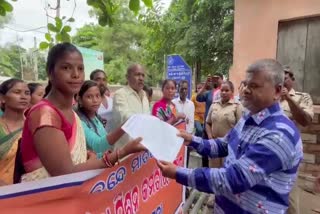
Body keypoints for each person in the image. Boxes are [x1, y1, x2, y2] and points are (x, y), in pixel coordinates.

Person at [157, 59, 302, 213]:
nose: (245, 90)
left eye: (254, 86)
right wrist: (192, 140)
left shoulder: (279, 134)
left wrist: (179, 173)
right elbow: (224, 144)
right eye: (245, 84)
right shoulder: (249, 118)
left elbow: (234, 179)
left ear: (277, 91)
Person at [19, 43, 145, 183]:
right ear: (50, 72)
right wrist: (122, 153)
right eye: (66, 68)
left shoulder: (72, 113)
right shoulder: (45, 114)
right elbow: (65, 175)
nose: (76, 74)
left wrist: (87, 158)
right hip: (47, 199)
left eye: (80, 68)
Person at [280, 65, 314, 214]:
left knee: (290, 197)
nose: (281, 81)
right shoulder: (271, 97)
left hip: (290, 154)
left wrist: (288, 98)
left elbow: (305, 120)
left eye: (285, 78)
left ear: (292, 80)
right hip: (269, 152)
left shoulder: (302, 97)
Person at [76, 80, 125, 158]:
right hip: (91, 168)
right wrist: (125, 127)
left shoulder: (97, 118)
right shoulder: (79, 122)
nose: (95, 100)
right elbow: (97, 146)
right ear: (80, 100)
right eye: (89, 97)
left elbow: (104, 141)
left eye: (97, 96)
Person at [206, 80, 243, 169]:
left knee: (226, 172)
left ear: (232, 92)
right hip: (214, 144)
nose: (224, 92)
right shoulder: (214, 105)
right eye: (222, 90)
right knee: (213, 171)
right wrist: (210, 137)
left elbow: (241, 128)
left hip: (229, 146)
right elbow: (208, 123)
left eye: (227, 90)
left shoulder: (237, 106)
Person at [0, 78, 31, 185]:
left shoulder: (33, 126)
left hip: (26, 191)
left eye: (27, 93)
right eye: (17, 92)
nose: (23, 97)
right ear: (2, 98)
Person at [113, 64, 150, 149]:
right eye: (137, 74)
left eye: (143, 75)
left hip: (142, 148)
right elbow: (125, 117)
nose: (141, 78)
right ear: (127, 77)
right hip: (125, 151)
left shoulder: (144, 95)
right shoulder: (120, 94)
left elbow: (148, 118)